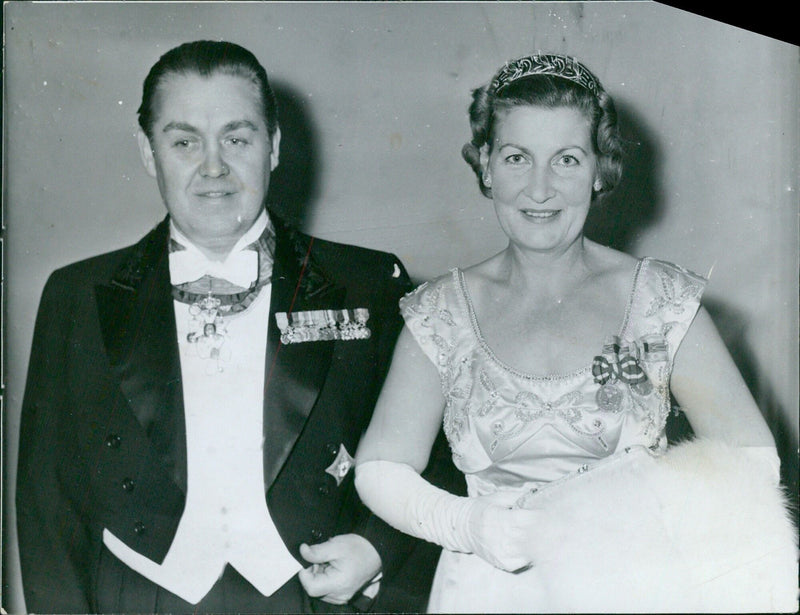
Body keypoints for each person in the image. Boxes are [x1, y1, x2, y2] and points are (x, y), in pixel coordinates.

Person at [16, 40, 460, 614]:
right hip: (136, 595)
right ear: (149, 153)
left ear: (273, 146)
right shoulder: (76, 295)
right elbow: (47, 504)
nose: (213, 167)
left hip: (313, 594)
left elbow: (446, 454)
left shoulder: (368, 283)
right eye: (183, 142)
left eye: (237, 137)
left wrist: (378, 550)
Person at [355, 53, 797, 613]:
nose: (540, 189)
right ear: (487, 165)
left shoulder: (660, 300)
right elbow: (381, 468)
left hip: (636, 591)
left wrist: (635, 509)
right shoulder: (441, 311)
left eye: (566, 159)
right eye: (517, 157)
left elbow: (755, 461)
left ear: (599, 170)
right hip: (486, 592)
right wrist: (471, 526)